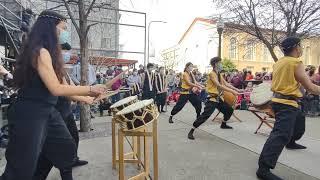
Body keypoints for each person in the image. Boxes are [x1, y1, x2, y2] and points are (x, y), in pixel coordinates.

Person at [0, 10, 107, 180]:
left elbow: (64, 87)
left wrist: (87, 99)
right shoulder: (39, 52)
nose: (64, 33)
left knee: (65, 149)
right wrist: (90, 89)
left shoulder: (49, 54)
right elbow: (56, 89)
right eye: (63, 28)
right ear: (51, 27)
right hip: (30, 113)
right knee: (20, 169)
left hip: (48, 112)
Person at [257, 37, 320, 180]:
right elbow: (309, 86)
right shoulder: (295, 62)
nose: (301, 49)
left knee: (299, 123)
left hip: (281, 101)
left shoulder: (279, 62)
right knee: (280, 134)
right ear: (296, 47)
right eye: (301, 46)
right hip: (287, 104)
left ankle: (291, 143)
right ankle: (263, 168)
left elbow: (295, 83)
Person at [187, 57, 241, 140]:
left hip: (219, 99)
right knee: (205, 116)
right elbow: (219, 85)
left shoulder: (219, 74)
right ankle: (192, 130)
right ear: (216, 64)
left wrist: (237, 89)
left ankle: (223, 124)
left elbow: (226, 84)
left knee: (229, 110)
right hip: (212, 99)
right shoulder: (212, 74)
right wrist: (232, 91)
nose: (221, 64)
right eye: (220, 63)